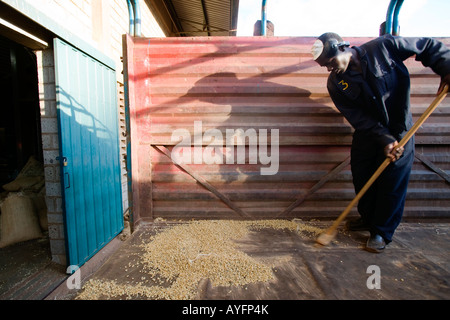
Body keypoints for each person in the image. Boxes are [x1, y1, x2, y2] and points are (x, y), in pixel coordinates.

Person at [311, 32, 450, 253]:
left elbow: (427, 46)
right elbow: (357, 116)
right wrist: (384, 140)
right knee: (362, 176)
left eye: (330, 62)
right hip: (368, 134)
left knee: (392, 181)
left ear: (342, 48)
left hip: (400, 129)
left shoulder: (384, 47)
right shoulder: (336, 83)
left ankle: (381, 232)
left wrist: (446, 67)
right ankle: (367, 219)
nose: (329, 69)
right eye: (325, 66)